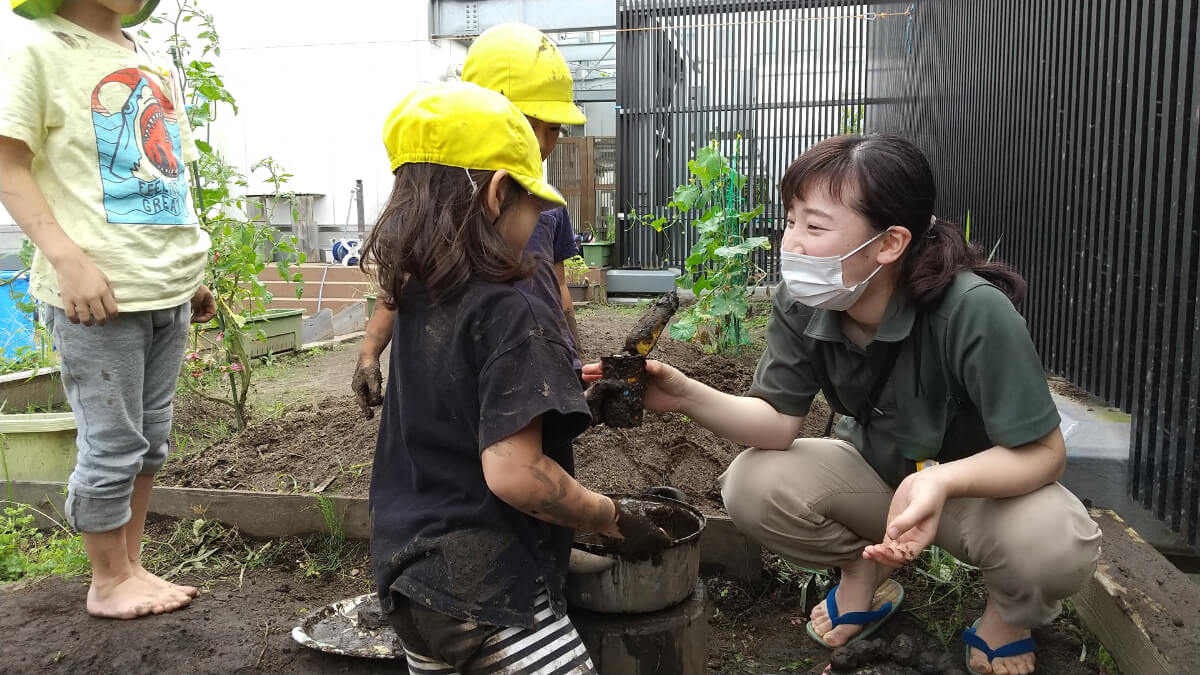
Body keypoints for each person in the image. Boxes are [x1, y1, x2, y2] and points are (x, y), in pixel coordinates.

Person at [583, 134, 1102, 675]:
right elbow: (778, 423)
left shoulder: (974, 312)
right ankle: (861, 571)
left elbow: (1044, 454)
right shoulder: (803, 303)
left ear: (889, 243)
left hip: (977, 499)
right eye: (790, 221)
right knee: (752, 483)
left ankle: (1007, 619)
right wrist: (685, 393)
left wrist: (943, 481)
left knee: (1056, 542)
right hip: (878, 483)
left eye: (815, 226)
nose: (792, 244)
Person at [364, 81, 667, 675]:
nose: (538, 225)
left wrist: (571, 397)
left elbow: (464, 405)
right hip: (488, 592)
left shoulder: (419, 292)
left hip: (407, 581)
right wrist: (610, 518)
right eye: (537, 207)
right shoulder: (513, 307)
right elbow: (517, 474)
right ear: (501, 193)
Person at [0, 0, 215, 619]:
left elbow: (163, 176)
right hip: (97, 293)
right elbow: (8, 164)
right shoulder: (38, 50)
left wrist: (189, 274)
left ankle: (131, 565)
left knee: (150, 441)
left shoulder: (149, 57)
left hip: (165, 286)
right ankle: (107, 579)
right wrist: (66, 258)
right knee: (112, 442)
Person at [352, 23, 586, 418]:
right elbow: (397, 286)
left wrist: (570, 354)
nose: (543, 144)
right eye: (529, 126)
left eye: (554, 130)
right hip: (459, 380)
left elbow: (557, 284)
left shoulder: (549, 207)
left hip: (529, 367)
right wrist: (369, 352)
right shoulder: (437, 209)